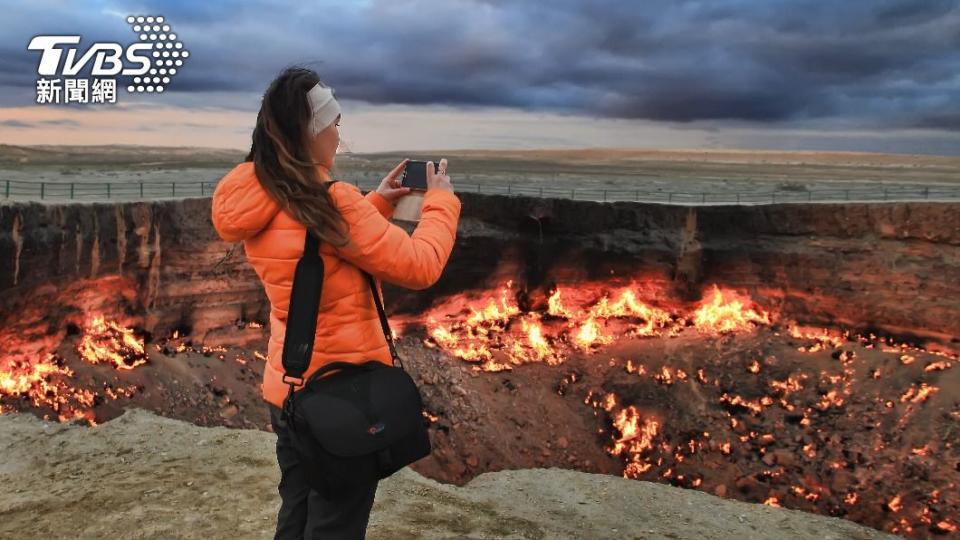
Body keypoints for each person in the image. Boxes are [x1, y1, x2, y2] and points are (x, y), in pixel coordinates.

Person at [210, 66, 461, 540]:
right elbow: (420, 263)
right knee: (336, 526)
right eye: (335, 122)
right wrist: (441, 204)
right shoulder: (332, 202)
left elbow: (313, 242)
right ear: (312, 133)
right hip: (339, 398)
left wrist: (379, 203)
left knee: (298, 513)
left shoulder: (264, 195)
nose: (339, 134)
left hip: (289, 394)